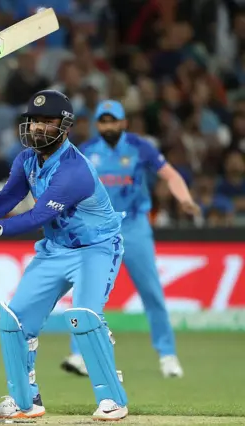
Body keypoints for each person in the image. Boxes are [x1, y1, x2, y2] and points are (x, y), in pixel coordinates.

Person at [0, 90, 129, 421]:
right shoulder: (26, 159)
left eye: (46, 122)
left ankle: (113, 399)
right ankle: (26, 402)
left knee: (84, 317)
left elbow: (37, 216)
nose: (37, 128)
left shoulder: (74, 171)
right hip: (55, 250)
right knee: (12, 321)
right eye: (34, 121)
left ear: (65, 126)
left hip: (96, 248)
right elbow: (9, 196)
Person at [62, 100, 200, 378]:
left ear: (124, 123)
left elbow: (170, 174)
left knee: (151, 293)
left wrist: (184, 199)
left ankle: (168, 355)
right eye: (103, 121)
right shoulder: (87, 151)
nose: (109, 126)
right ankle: (80, 356)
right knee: (89, 293)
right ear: (97, 124)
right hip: (99, 230)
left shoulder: (140, 147)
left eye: (114, 121)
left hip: (135, 227)